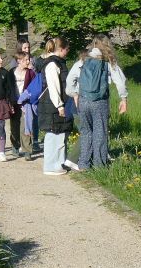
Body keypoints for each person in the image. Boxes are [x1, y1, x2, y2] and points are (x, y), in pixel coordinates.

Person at [65, 37, 128, 171]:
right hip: (100, 102)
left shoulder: (83, 60)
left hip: (83, 100)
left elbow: (70, 79)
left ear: (93, 45)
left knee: (86, 132)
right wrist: (123, 99)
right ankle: (100, 166)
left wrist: (74, 94)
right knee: (100, 132)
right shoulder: (108, 61)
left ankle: (84, 164)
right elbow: (120, 82)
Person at [37, 37, 71, 175]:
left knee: (59, 134)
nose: (68, 52)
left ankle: (59, 163)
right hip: (52, 105)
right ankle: (51, 166)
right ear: (61, 49)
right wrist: (59, 105)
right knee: (54, 134)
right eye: (67, 49)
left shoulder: (57, 62)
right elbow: (53, 86)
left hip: (55, 104)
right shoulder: (52, 64)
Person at [11, 50, 35, 158]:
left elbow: (34, 88)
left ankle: (27, 150)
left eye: (28, 59)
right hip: (13, 103)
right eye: (26, 60)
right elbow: (8, 88)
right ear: (19, 61)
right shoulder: (11, 73)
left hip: (26, 104)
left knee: (26, 126)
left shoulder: (31, 73)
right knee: (14, 126)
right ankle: (15, 146)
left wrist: (28, 99)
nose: (28, 61)